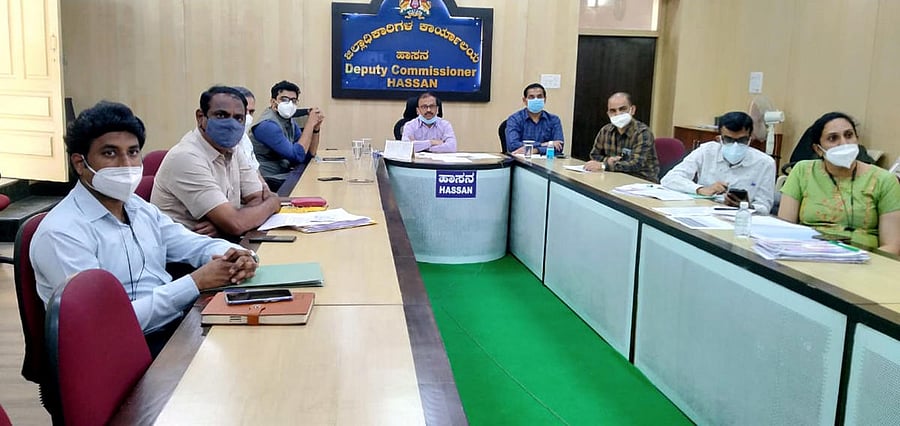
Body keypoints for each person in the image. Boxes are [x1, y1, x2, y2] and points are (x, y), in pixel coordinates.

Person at [31, 101, 258, 353]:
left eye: (133, 152)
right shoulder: (62, 232)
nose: (126, 164)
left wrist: (236, 256)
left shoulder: (137, 207)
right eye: (110, 153)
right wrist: (194, 283)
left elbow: (191, 243)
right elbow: (106, 324)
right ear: (80, 163)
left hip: (172, 326)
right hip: (119, 355)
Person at [152, 86, 281, 238]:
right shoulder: (186, 157)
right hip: (185, 254)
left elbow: (258, 198)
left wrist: (225, 225)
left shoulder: (233, 148)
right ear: (201, 117)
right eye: (221, 115)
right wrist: (273, 202)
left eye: (238, 118)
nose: (231, 124)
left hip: (220, 242)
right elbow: (236, 223)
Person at [778, 112, 900, 254]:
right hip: (808, 254)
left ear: (857, 139)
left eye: (849, 135)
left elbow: (892, 246)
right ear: (818, 149)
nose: (843, 143)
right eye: (833, 138)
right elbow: (784, 230)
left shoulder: (884, 180)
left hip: (864, 261)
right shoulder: (802, 171)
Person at [661, 111, 775, 213]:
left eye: (742, 140)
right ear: (719, 138)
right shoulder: (707, 151)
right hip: (702, 212)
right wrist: (700, 189)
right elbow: (669, 179)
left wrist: (746, 206)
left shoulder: (765, 163)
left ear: (750, 138)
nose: (735, 145)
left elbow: (765, 207)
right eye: (729, 140)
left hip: (740, 218)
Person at [250, 80, 326, 190]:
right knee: (311, 186)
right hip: (268, 179)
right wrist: (309, 123)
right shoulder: (267, 125)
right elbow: (298, 156)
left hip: (284, 173)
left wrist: (316, 128)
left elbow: (308, 154)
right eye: (284, 99)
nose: (289, 104)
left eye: (293, 101)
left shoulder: (289, 122)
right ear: (273, 102)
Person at [584, 92, 659, 182]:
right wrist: (608, 160)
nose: (618, 114)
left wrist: (604, 165)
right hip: (612, 177)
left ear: (632, 110)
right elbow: (594, 155)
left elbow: (636, 164)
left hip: (640, 181)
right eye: (613, 111)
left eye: (622, 109)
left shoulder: (643, 132)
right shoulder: (605, 130)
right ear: (608, 114)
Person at [504, 82, 564, 155]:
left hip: (547, 162)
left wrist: (536, 150)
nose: (536, 99)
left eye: (539, 96)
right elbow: (513, 145)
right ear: (524, 100)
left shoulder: (554, 120)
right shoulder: (515, 119)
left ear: (545, 99)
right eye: (531, 97)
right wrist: (544, 144)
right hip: (520, 162)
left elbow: (559, 147)